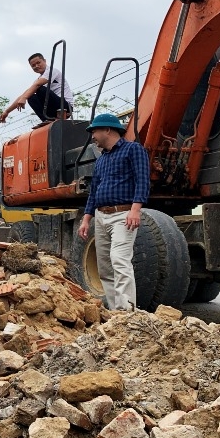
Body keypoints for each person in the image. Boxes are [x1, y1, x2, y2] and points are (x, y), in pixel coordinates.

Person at [78, 113, 149, 311]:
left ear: (107, 130)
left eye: (94, 131)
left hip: (123, 216)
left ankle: (126, 312)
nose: (92, 135)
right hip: (101, 217)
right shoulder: (102, 160)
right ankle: (113, 312)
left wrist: (135, 210)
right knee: (105, 268)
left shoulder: (133, 150)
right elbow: (94, 192)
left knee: (119, 260)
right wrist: (86, 220)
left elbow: (143, 181)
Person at [0, 53, 75, 123]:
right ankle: (47, 120)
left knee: (38, 89)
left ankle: (53, 117)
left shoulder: (52, 71)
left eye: (38, 63)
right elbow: (24, 95)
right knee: (31, 96)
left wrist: (24, 97)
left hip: (65, 106)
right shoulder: (39, 80)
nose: (36, 66)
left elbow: (37, 86)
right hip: (53, 109)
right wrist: (7, 111)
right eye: (33, 65)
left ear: (44, 61)